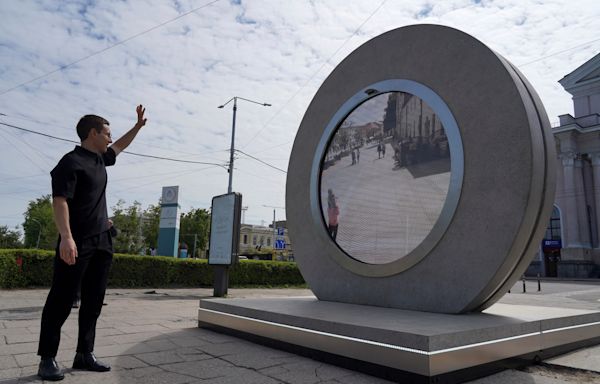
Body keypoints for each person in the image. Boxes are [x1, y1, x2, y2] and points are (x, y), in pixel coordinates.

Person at [37, 105, 148, 381]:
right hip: (77, 241)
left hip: (102, 241)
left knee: (93, 301)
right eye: (107, 133)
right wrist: (66, 237)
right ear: (92, 133)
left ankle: (84, 354)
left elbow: (120, 146)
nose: (110, 138)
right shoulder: (70, 163)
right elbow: (59, 201)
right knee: (61, 300)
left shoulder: (101, 159)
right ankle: (47, 359)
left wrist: (137, 127)